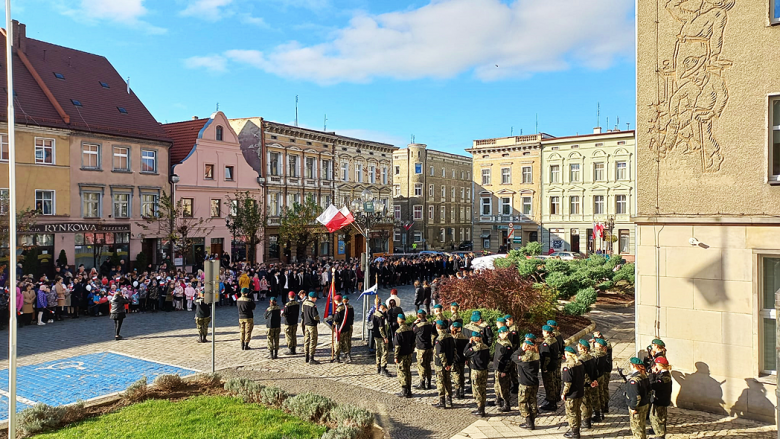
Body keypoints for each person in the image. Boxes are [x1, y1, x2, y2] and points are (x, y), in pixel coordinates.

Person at [512, 339, 540, 430]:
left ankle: (528, 421)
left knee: (522, 402)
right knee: (533, 401)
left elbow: (514, 356)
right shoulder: (536, 356)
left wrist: (521, 349)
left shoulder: (524, 359)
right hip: (534, 382)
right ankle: (532, 420)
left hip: (525, 383)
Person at [623, 357, 651, 439]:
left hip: (638, 407)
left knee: (637, 429)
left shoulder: (634, 380)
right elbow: (649, 390)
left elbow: (636, 397)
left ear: (633, 365)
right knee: (642, 426)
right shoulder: (644, 375)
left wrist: (633, 407)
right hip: (645, 403)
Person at [463, 332, 490, 417]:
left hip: (476, 371)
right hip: (484, 370)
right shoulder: (486, 347)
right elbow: (488, 358)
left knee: (477, 390)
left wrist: (469, 343)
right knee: (483, 389)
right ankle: (482, 408)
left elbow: (465, 353)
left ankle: (480, 409)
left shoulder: (474, 348)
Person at [562, 346, 585, 439]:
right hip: (580, 392)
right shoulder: (579, 363)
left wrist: (564, 393)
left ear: (567, 354)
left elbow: (567, 383)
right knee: (578, 412)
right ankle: (577, 430)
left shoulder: (568, 367)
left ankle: (574, 432)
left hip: (571, 394)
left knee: (571, 413)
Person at [432, 319, 454, 408]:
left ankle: (442, 402)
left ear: (437, 327)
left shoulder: (439, 339)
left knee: (440, 382)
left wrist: (445, 364)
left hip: (440, 365)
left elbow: (441, 353)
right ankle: (449, 400)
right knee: (448, 381)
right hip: (449, 363)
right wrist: (450, 363)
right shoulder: (450, 336)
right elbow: (453, 350)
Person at [577, 339, 598, 430]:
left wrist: (588, 382)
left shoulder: (581, 360)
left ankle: (586, 421)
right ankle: (588, 420)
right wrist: (594, 380)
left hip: (585, 384)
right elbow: (594, 370)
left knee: (585, 404)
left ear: (582, 348)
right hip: (592, 383)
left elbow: (583, 374)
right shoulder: (591, 357)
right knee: (589, 402)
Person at [491, 326, 513, 412]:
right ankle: (498, 399)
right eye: (500, 333)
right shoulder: (499, 341)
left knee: (504, 387)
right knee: (497, 385)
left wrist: (505, 371)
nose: (501, 335)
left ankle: (507, 404)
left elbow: (508, 360)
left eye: (503, 333)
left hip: (503, 369)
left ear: (506, 333)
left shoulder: (507, 345)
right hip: (497, 367)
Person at [650, 357, 672, 439]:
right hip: (659, 399)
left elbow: (653, 385)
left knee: (659, 419)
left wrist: (653, 374)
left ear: (660, 365)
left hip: (661, 400)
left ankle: (660, 436)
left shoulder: (664, 377)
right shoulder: (662, 374)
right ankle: (658, 434)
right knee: (655, 417)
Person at [393, 313, 415, 398]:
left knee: (402, 373)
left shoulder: (398, 332)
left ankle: (404, 391)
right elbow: (413, 342)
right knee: (408, 372)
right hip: (408, 354)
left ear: (399, 320)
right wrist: (411, 351)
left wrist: (395, 357)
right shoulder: (410, 330)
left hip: (401, 355)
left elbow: (397, 346)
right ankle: (409, 390)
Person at [540, 325, 561, 411]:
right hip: (554, 365)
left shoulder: (546, 343)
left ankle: (551, 403)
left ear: (546, 332)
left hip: (548, 367)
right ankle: (553, 399)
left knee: (549, 385)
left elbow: (546, 358)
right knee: (553, 382)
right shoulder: (554, 339)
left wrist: (545, 368)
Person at [412, 309, 434, 390]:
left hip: (421, 348)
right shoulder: (430, 324)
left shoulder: (418, 326)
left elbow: (412, 331)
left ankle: (422, 383)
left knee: (421, 366)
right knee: (428, 365)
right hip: (429, 347)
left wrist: (414, 323)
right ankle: (429, 382)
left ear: (418, 316)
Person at [591, 338, 610, 423]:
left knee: (596, 395)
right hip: (601, 375)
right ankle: (603, 409)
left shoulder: (596, 355)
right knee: (602, 393)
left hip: (596, 376)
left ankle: (597, 414)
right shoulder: (603, 353)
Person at [372, 303, 392, 377]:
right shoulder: (381, 317)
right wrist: (385, 337)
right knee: (384, 352)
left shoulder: (375, 314)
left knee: (378, 351)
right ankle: (383, 368)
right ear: (384, 308)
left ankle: (378, 366)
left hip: (376, 336)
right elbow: (381, 328)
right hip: (381, 337)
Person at [333, 295, 355, 363]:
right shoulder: (346, 307)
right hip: (347, 327)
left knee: (338, 343)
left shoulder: (339, 309)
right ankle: (347, 355)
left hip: (340, 328)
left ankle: (337, 357)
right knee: (346, 342)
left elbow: (336, 320)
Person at [450, 321, 469, 399]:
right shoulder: (465, 337)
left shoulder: (453, 338)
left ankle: (457, 392)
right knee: (462, 375)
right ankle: (462, 392)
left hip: (455, 359)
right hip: (463, 358)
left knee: (456, 375)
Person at [301, 291, 320, 364]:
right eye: (315, 298)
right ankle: (311, 358)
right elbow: (315, 316)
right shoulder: (312, 306)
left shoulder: (304, 303)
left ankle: (306, 356)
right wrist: (318, 319)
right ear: (312, 298)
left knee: (306, 340)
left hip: (306, 324)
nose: (316, 300)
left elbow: (302, 313)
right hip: (312, 325)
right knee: (313, 340)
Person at [505, 314, 521, 394]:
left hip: (514, 352)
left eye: (507, 321)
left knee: (513, 370)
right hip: (513, 352)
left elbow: (513, 343)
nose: (506, 323)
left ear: (511, 320)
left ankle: (516, 384)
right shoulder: (510, 328)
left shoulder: (513, 330)